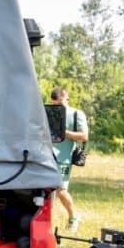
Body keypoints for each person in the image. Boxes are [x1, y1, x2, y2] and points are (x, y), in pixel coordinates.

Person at [50, 87, 88, 231]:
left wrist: (63, 132)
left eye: (60, 103)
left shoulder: (77, 114)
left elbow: (84, 136)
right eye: (55, 104)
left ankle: (73, 217)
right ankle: (46, 221)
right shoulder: (50, 113)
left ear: (67, 99)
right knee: (45, 190)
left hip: (64, 158)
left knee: (61, 190)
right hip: (47, 156)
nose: (57, 107)